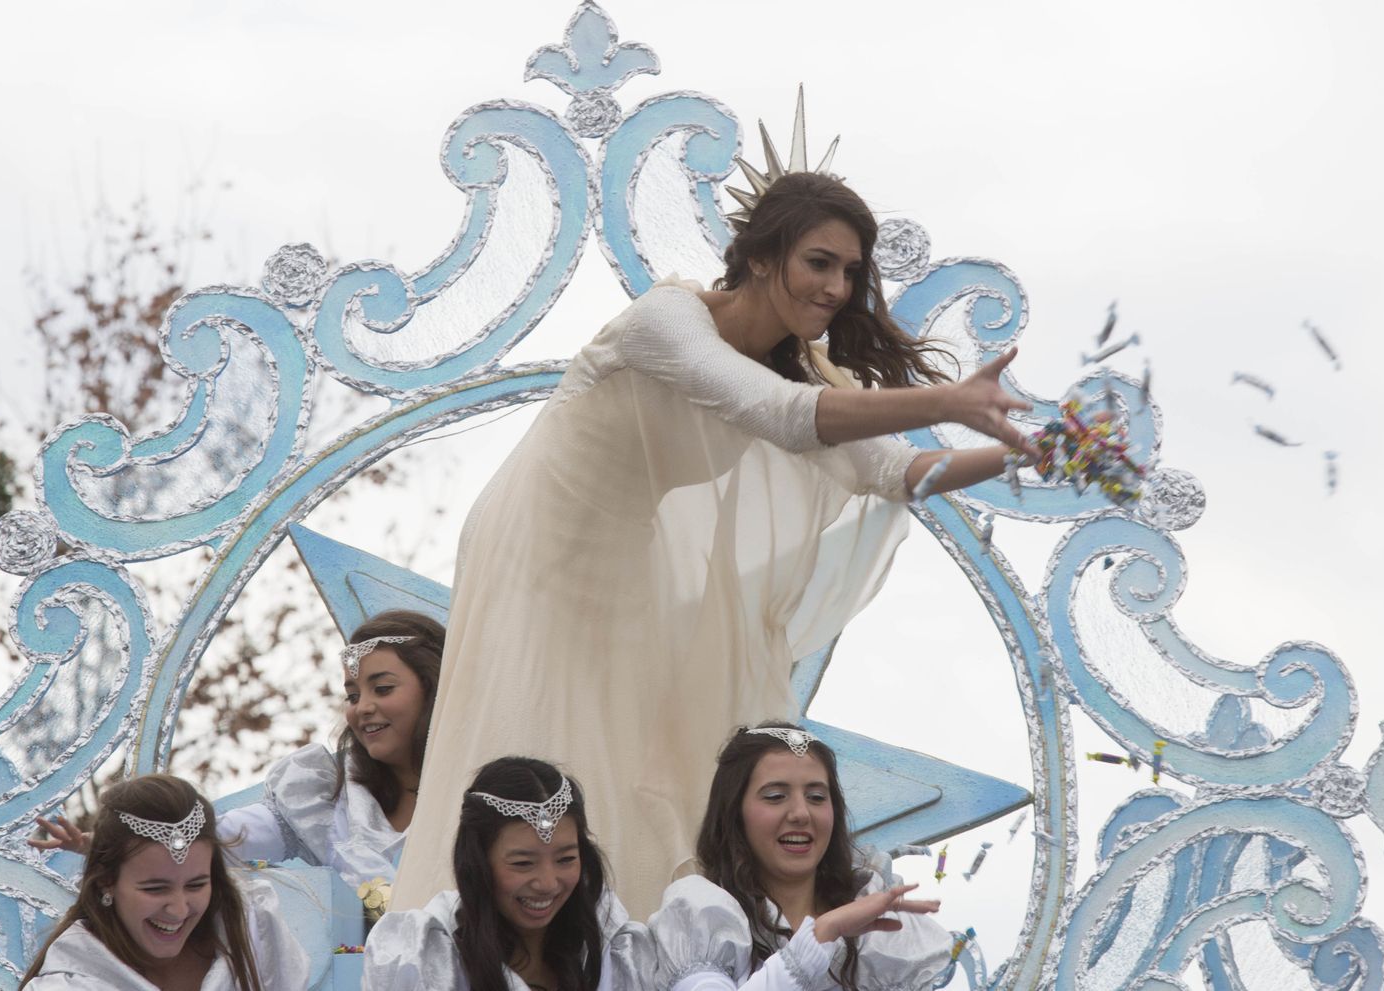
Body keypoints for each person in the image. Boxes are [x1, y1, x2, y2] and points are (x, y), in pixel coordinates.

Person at [395, 169, 1039, 914]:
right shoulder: (665, 321)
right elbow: (777, 413)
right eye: (819, 262)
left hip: (627, 571)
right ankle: (480, 941)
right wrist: (950, 400)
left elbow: (896, 472)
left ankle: (627, 943)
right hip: (535, 551)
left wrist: (1027, 452)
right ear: (762, 257)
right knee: (539, 739)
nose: (836, 288)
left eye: (852, 272)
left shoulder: (808, 371)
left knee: (642, 766)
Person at [33, 612, 443, 901]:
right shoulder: (326, 796)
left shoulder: (479, 793)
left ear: (431, 687)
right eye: (352, 696)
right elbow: (222, 842)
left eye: (383, 689)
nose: (362, 707)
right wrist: (120, 843)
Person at [612, 722, 949, 991]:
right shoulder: (703, 917)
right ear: (734, 813)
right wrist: (822, 935)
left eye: (817, 797)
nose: (801, 813)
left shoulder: (882, 935)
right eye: (775, 796)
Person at [20, 774, 308, 990]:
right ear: (108, 882)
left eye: (196, 885)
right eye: (155, 889)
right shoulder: (69, 984)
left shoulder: (253, 929)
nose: (179, 909)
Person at [362, 757, 626, 991]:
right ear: (478, 862)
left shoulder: (612, 952)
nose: (547, 883)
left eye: (566, 859)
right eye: (523, 863)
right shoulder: (427, 961)